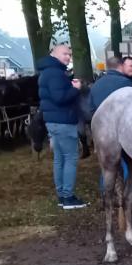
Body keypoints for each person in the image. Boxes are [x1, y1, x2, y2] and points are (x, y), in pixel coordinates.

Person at [91, 56, 132, 210]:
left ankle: (107, 196)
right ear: (121, 66)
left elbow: (91, 109)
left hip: (103, 132)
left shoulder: (96, 85)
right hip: (125, 130)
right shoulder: (126, 84)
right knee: (131, 161)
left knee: (108, 166)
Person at [37, 44, 87, 210]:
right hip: (63, 122)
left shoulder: (47, 72)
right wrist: (75, 89)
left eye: (69, 55)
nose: (68, 57)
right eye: (65, 54)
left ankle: (62, 195)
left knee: (59, 159)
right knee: (70, 159)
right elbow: (60, 98)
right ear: (54, 53)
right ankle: (68, 197)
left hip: (53, 121)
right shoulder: (55, 73)